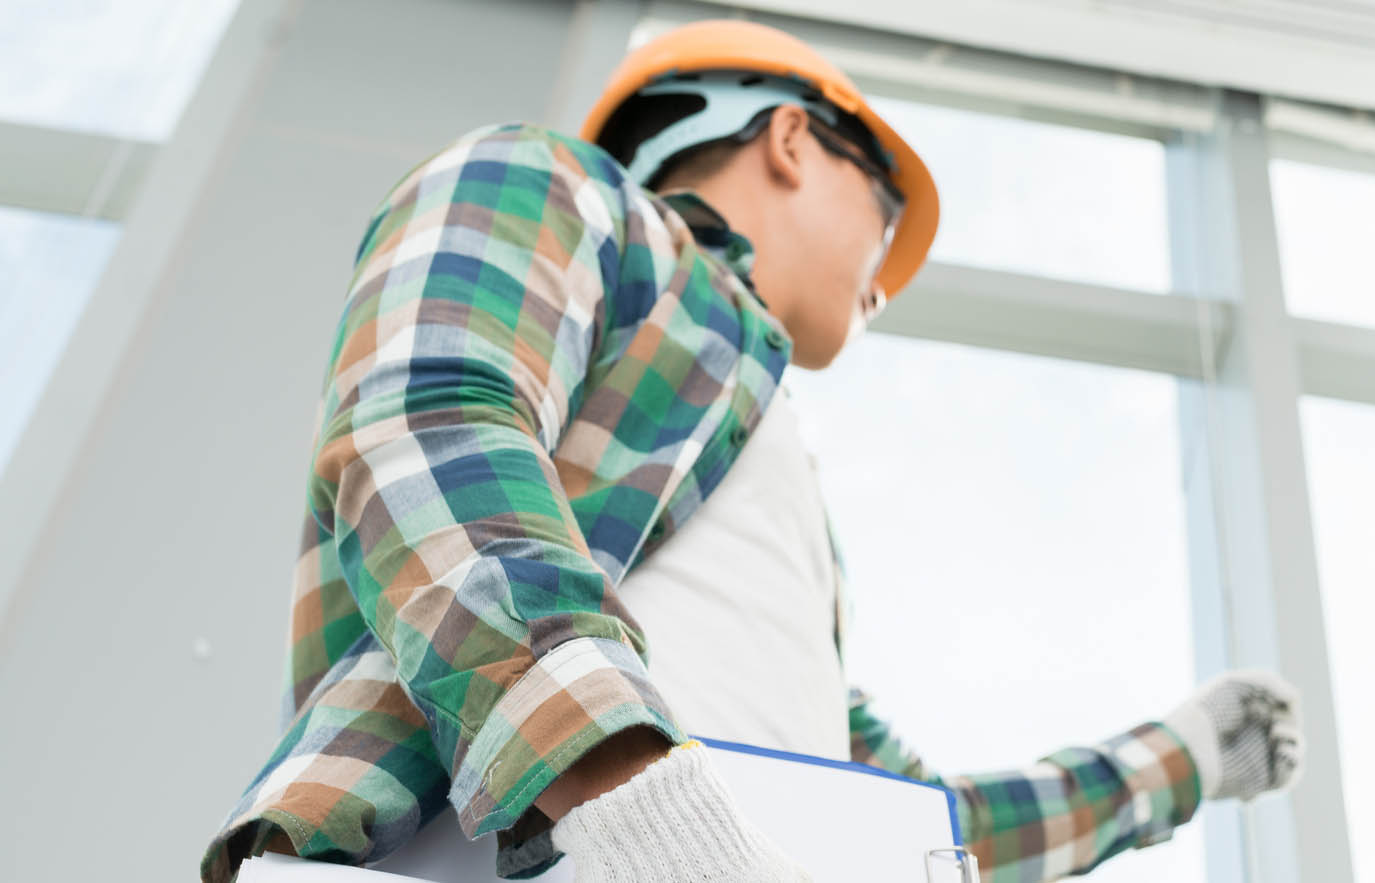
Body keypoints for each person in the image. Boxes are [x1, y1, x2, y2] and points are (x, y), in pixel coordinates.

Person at [199, 20, 1302, 883]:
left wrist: (1183, 758)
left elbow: (925, 825)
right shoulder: (558, 189)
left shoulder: (764, 490)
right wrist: (636, 804)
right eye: (883, 222)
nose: (879, 283)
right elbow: (430, 420)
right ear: (792, 139)